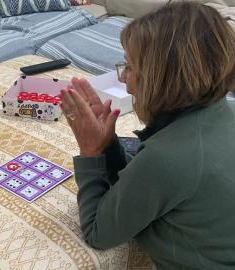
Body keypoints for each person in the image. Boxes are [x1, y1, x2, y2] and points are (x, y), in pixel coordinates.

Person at [60, 2, 235, 269]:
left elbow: (99, 233)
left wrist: (91, 151)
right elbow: (149, 184)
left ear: (161, 79)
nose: (123, 80)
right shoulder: (225, 108)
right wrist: (108, 145)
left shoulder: (168, 157)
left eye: (129, 67)